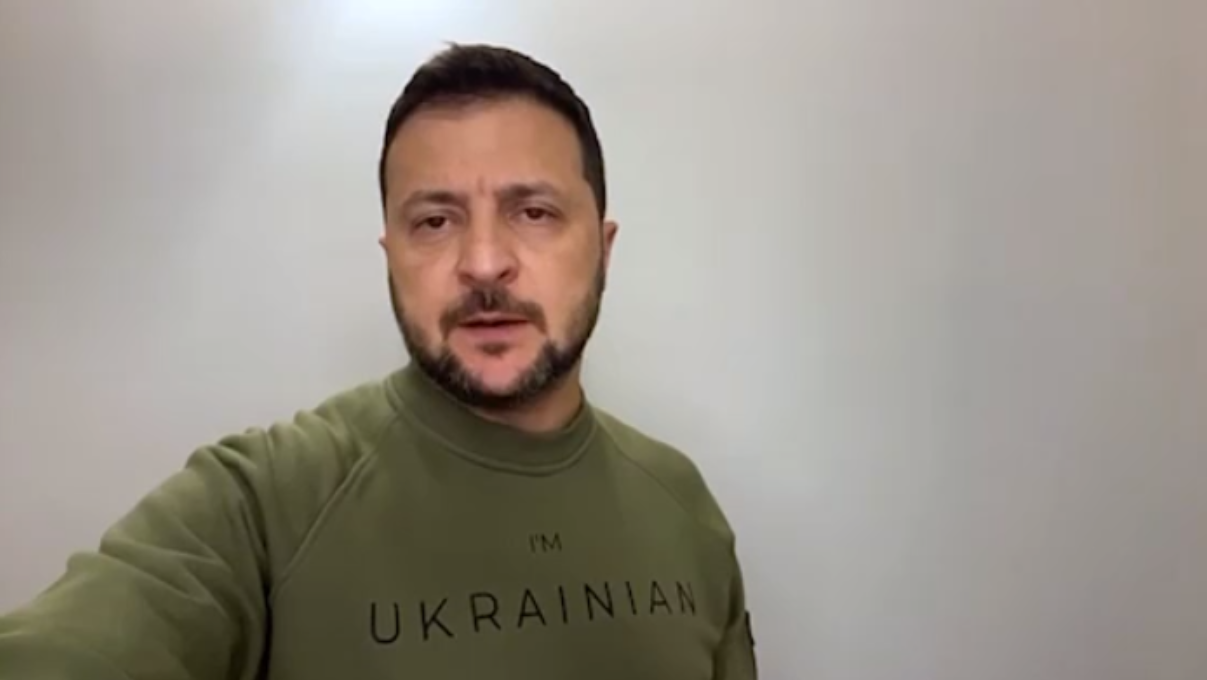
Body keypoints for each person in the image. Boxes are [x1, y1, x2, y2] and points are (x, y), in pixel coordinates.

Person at [0, 43, 757, 679]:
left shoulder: (684, 506)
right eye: (435, 221)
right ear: (391, 255)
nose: (483, 262)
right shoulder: (263, 502)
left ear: (603, 248)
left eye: (534, 212)